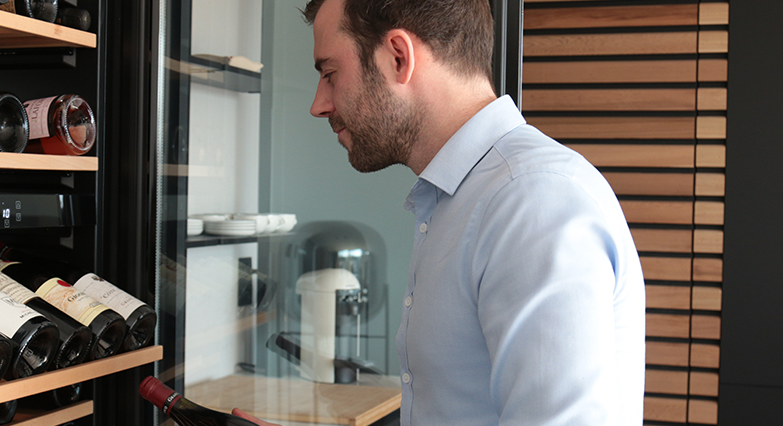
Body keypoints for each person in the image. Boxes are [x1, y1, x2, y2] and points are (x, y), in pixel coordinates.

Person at [235, 0, 646, 425]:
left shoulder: (531, 200)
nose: (319, 104)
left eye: (329, 74)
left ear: (398, 56)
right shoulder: (461, 197)